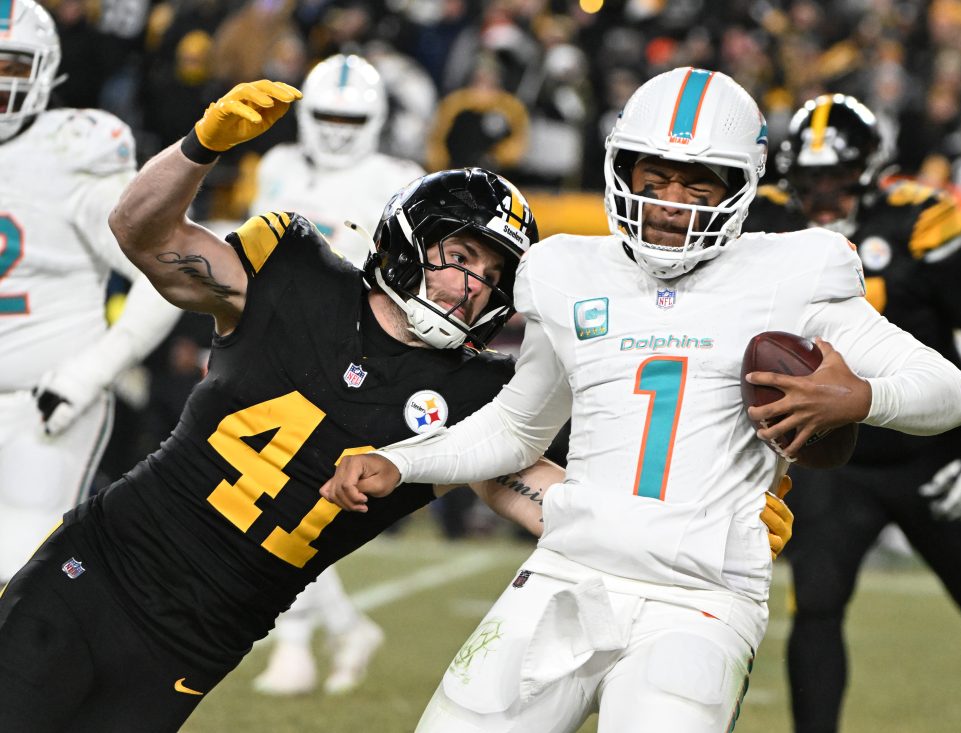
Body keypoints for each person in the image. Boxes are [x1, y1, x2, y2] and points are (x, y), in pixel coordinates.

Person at [322, 67, 961, 733]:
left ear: (741, 186)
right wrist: (405, 461)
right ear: (620, 171)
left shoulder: (793, 272)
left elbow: (952, 392)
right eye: (654, 178)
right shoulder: (569, 272)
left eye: (699, 184)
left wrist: (860, 396)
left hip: (701, 598)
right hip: (568, 572)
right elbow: (519, 427)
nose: (670, 202)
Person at [0, 79, 563, 732]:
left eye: (492, 276)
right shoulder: (292, 269)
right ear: (412, 238)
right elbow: (139, 232)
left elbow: (548, 498)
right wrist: (200, 146)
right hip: (95, 571)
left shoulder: (476, 397)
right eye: (461, 256)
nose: (472, 288)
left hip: (192, 645)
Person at [745, 94, 961, 733]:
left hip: (930, 451)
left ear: (869, 171)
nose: (821, 196)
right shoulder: (770, 223)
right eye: (809, 180)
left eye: (835, 179)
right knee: (816, 605)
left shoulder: (921, 221)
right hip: (838, 456)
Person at [247, 52, 426, 698]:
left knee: (292, 500)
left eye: (352, 116)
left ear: (376, 118)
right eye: (327, 114)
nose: (339, 128)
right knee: (286, 500)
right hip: (274, 349)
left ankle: (296, 643)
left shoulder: (399, 177)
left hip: (353, 357)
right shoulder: (278, 166)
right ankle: (344, 628)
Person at [0, 0, 179, 585]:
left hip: (43, 397)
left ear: (45, 68)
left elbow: (165, 272)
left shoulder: (73, 151)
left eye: (10, 64)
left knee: (20, 565)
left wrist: (88, 373)